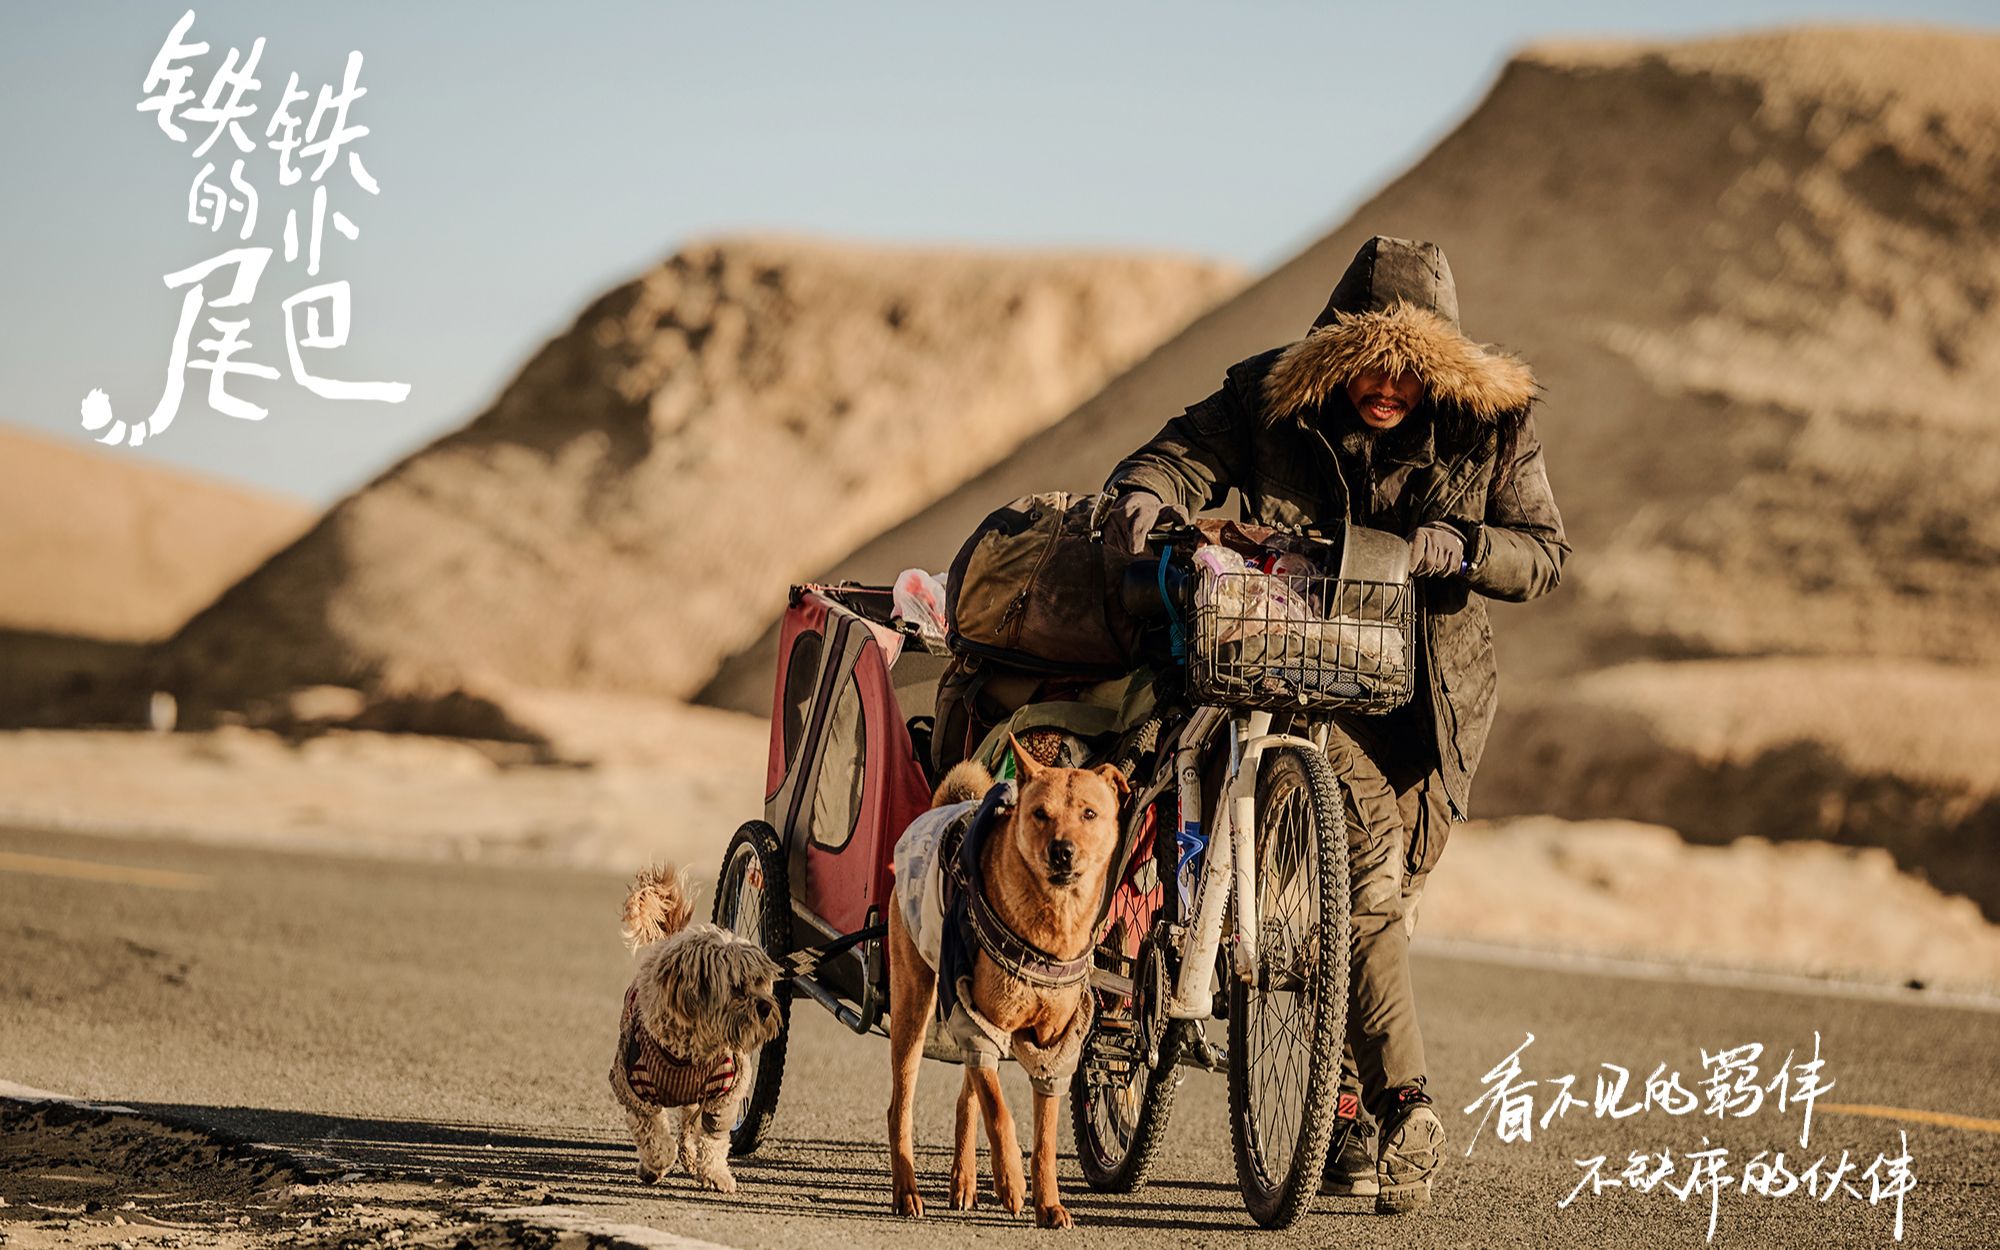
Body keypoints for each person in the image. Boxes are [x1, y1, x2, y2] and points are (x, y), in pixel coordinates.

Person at [1101, 236, 1568, 1214]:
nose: (1385, 382)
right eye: (1366, 357)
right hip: (1298, 679)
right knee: (1357, 883)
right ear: (1332, 347)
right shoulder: (1269, 395)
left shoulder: (1490, 426)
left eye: (1409, 365)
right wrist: (1146, 498)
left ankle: (1342, 1107)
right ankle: (1406, 1107)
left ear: (1439, 361)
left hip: (1432, 707)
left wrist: (1465, 543)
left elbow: (1540, 552)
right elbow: (1174, 455)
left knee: (1371, 914)